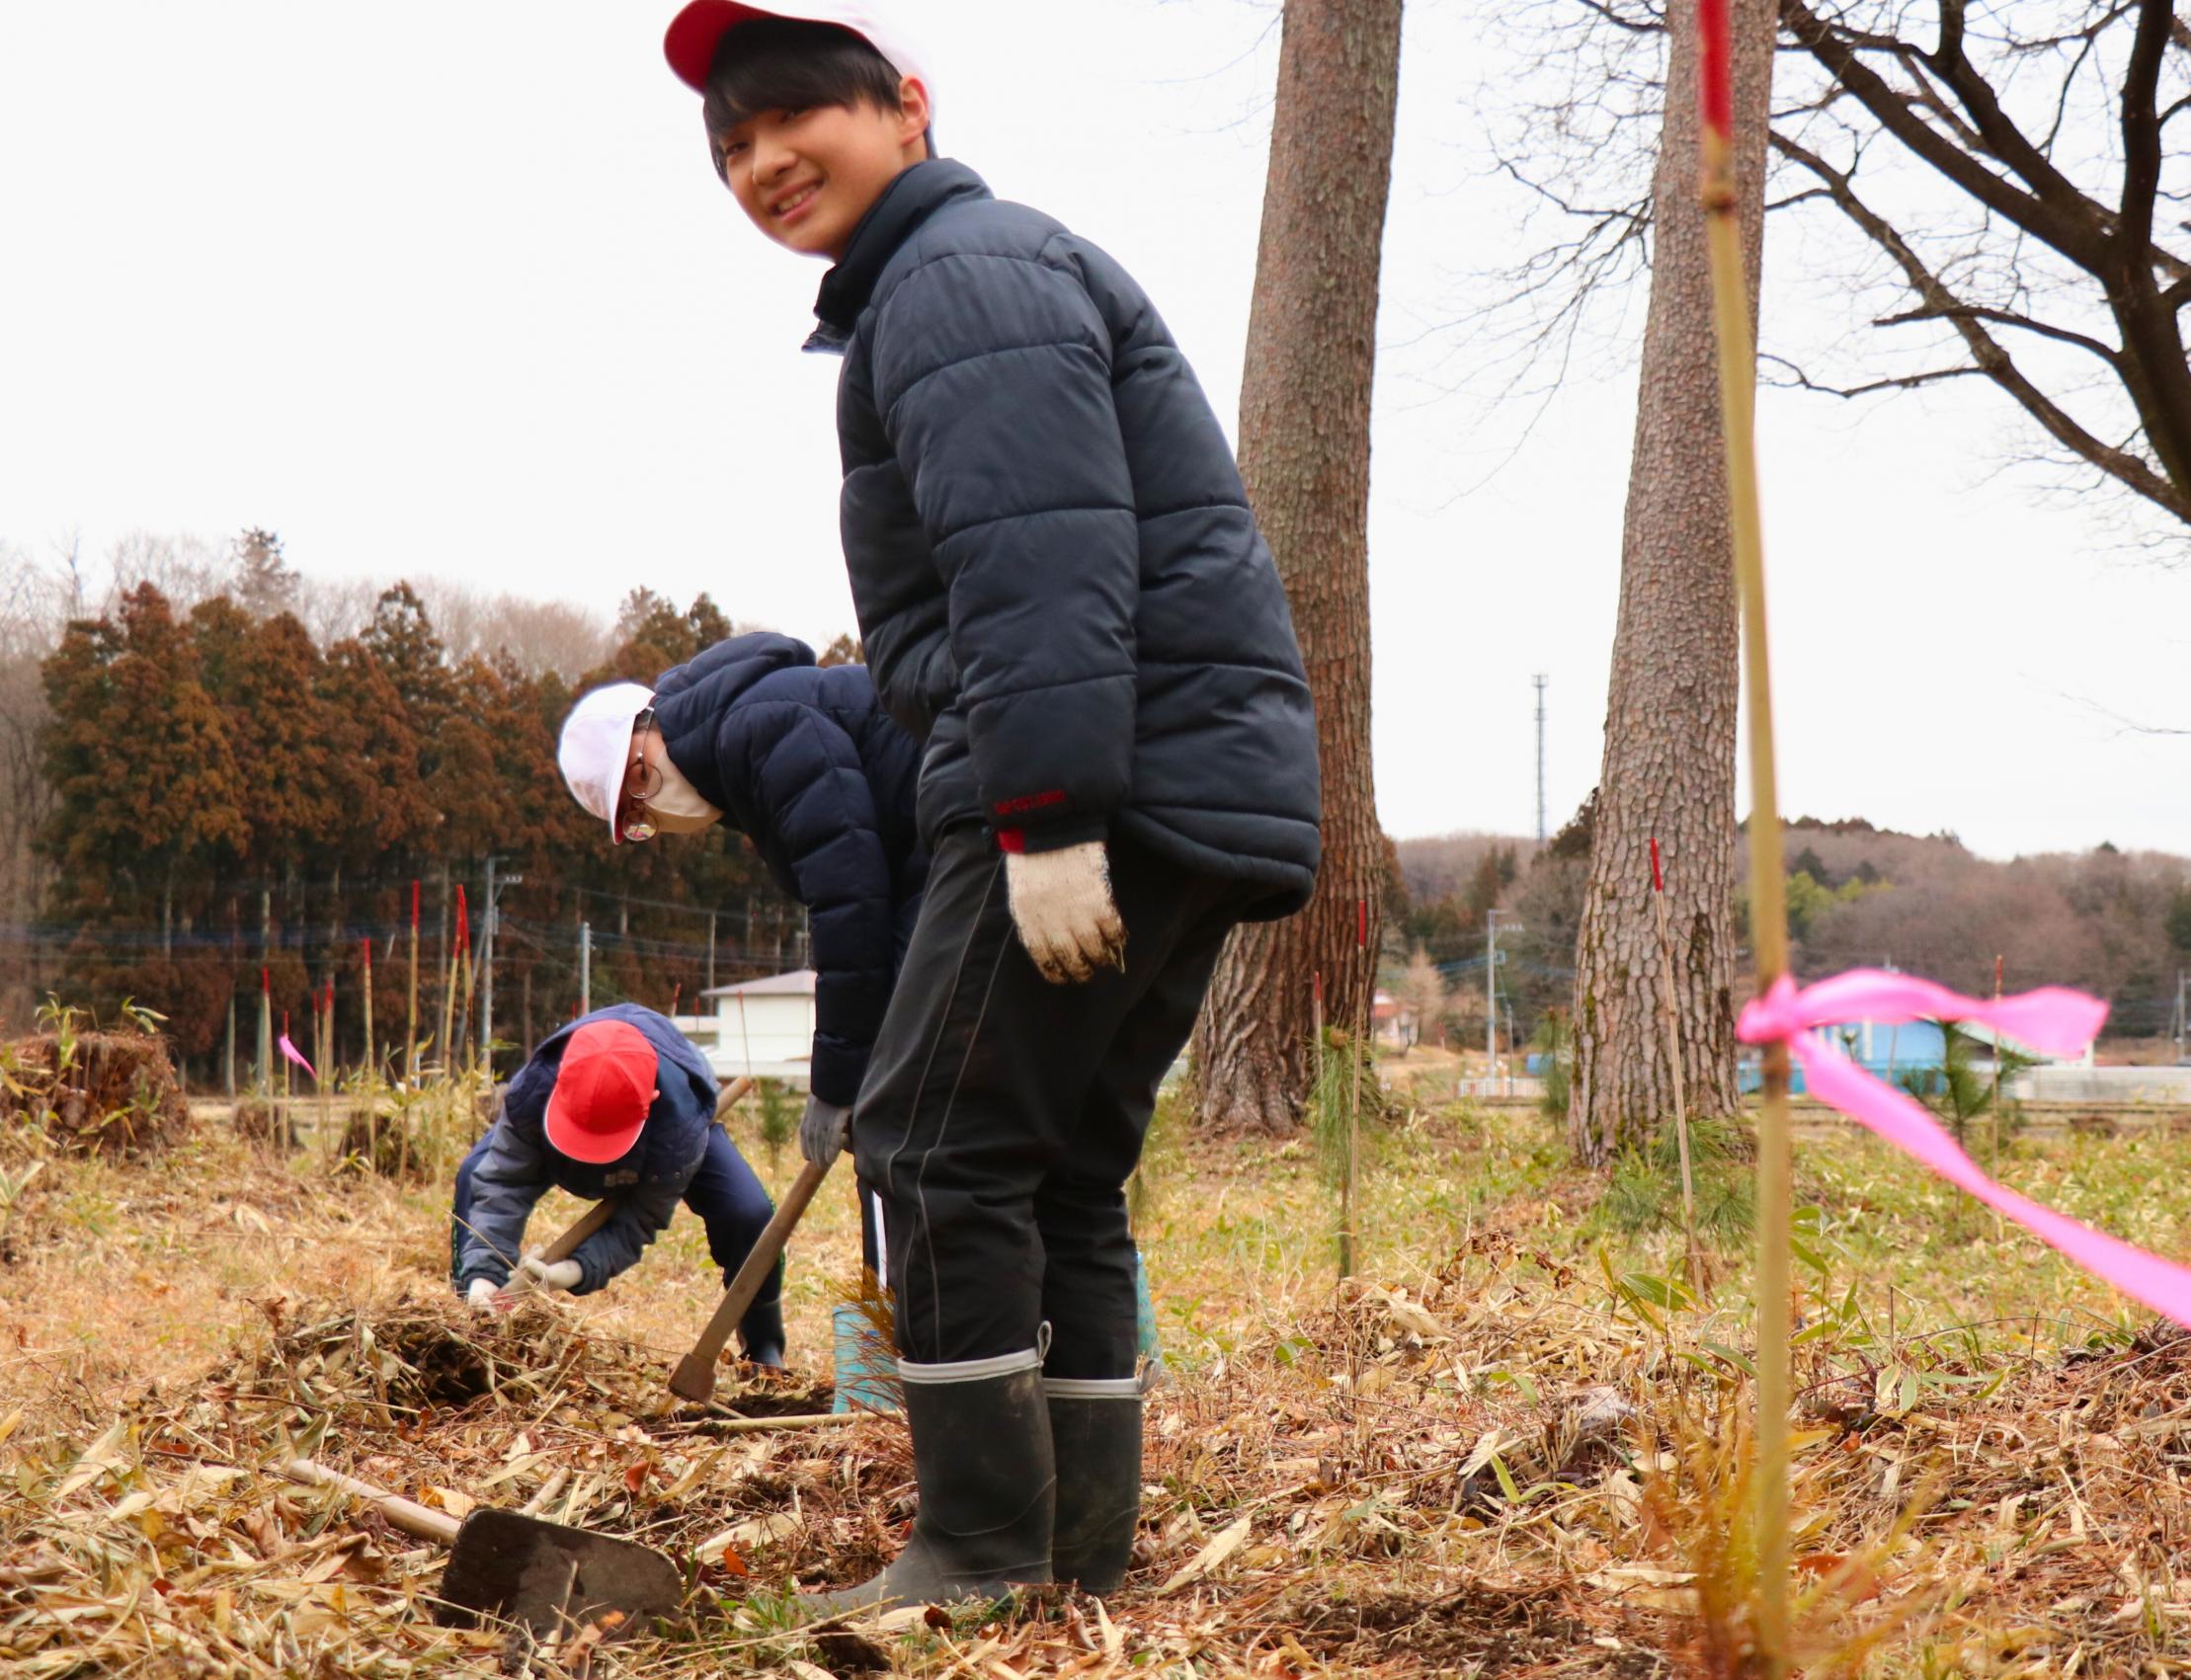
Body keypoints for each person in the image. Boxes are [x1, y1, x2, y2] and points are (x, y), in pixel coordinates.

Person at [661, 3, 1323, 1611]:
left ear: (905, 106)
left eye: (786, 120)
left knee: (936, 1148)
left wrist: (1039, 816)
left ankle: (971, 1554)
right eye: (728, 147)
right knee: (1056, 1170)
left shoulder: (956, 284)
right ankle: (1070, 1559)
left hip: (1106, 773)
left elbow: (1036, 560)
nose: (758, 162)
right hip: (1185, 775)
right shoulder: (966, 279)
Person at [557, 631, 925, 1274]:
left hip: (965, 845)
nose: (655, 818)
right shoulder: (738, 752)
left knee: (909, 1119)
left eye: (638, 791)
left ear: (647, 741)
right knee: (937, 1116)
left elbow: (851, 902)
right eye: (637, 822)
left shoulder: (761, 731)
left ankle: (915, 1343)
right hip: (934, 866)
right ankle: (929, 1338)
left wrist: (839, 1082)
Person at [450, 1003, 786, 1368]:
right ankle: (473, 1317)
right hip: (556, 1117)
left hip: (661, 1135)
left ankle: (763, 1342)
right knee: (474, 1174)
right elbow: (503, 1182)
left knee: (749, 1212)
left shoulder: (679, 1122)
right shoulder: (535, 1090)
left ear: (651, 1101)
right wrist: (484, 1272)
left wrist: (578, 1269)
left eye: (601, 1138)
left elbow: (639, 1219)